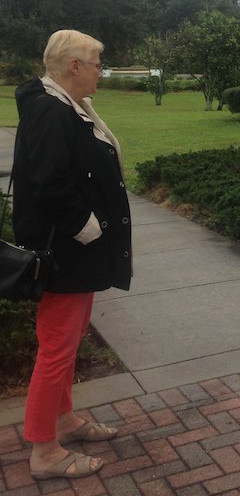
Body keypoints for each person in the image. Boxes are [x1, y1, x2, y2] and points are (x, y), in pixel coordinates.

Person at [12, 29, 132, 481]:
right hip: (66, 252)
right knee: (57, 348)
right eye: (97, 64)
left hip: (75, 252)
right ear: (74, 66)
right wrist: (90, 229)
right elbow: (49, 182)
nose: (101, 72)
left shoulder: (66, 106)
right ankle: (44, 451)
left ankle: (63, 420)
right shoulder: (50, 110)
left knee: (69, 339)